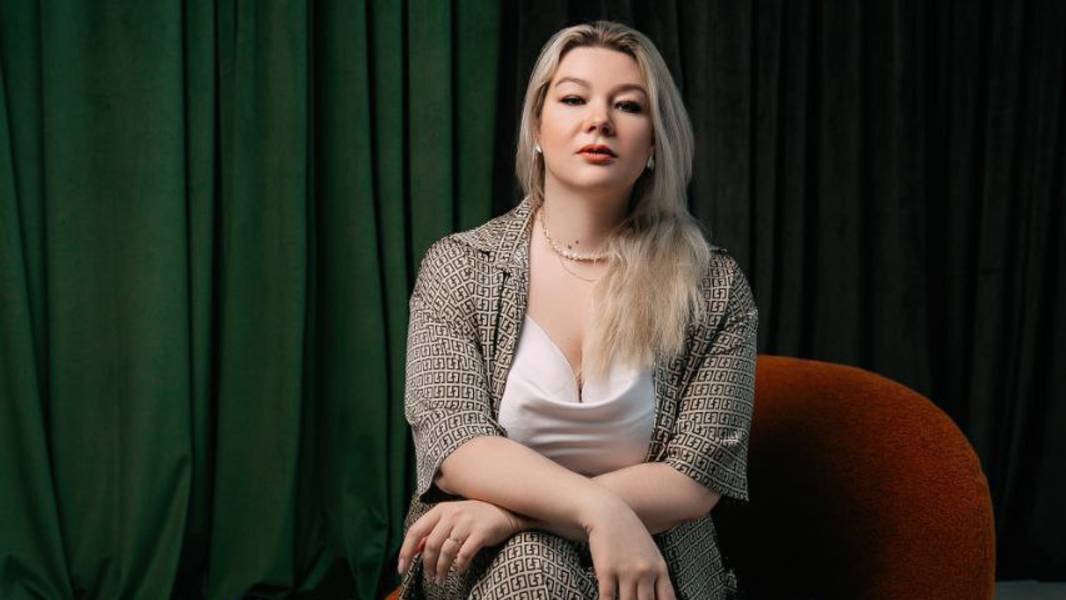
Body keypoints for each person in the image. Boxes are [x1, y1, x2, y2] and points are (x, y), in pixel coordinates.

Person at [395, 19, 758, 600]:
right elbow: (456, 443)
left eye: (629, 106)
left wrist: (511, 514)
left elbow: (697, 474)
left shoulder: (712, 286)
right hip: (485, 564)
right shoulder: (459, 267)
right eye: (573, 99)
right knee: (531, 569)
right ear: (537, 127)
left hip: (653, 558)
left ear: (654, 142)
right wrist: (596, 510)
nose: (600, 121)